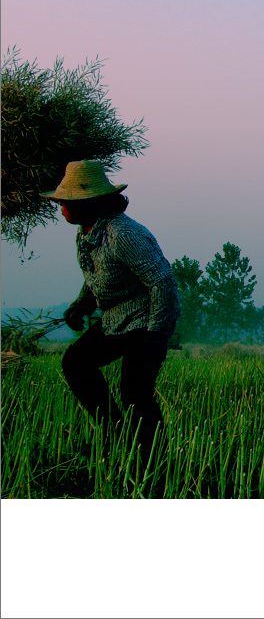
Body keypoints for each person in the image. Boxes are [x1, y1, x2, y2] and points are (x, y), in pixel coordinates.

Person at [41, 160, 180, 456]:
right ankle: (115, 435)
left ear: (87, 203)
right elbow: (96, 276)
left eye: (65, 202)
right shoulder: (87, 233)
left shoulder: (123, 234)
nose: (61, 208)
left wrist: (156, 338)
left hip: (144, 322)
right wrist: (79, 306)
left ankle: (152, 460)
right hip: (115, 321)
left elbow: (163, 283)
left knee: (135, 393)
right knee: (76, 363)